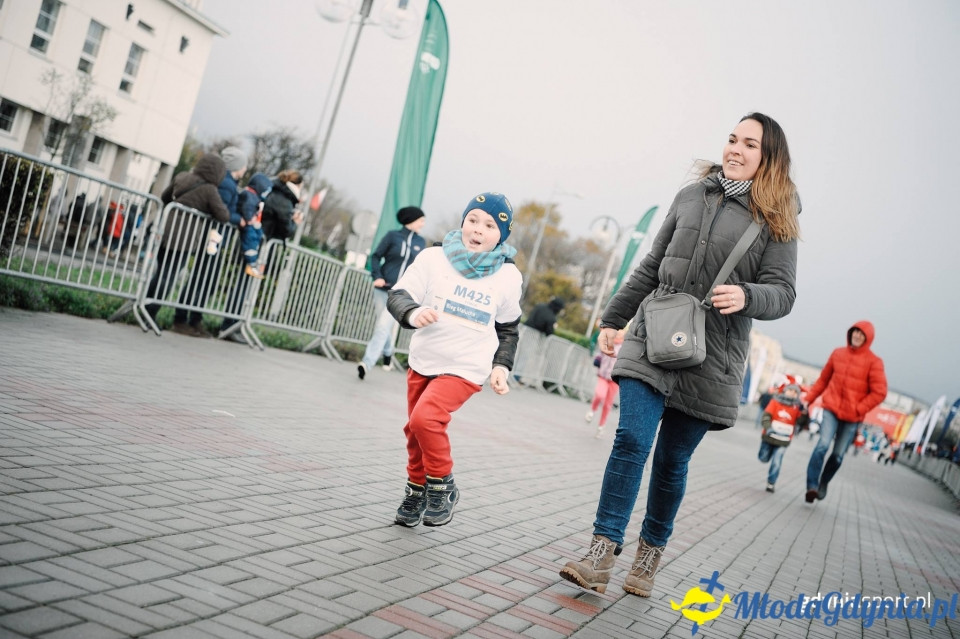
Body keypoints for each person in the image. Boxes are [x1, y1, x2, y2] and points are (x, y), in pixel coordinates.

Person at [559, 113, 800, 598]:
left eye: (749, 144)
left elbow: (784, 292)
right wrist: (613, 317)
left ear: (768, 156)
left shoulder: (778, 217)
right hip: (655, 331)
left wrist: (748, 296)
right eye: (732, 139)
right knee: (631, 440)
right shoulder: (692, 196)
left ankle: (649, 553)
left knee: (671, 461)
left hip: (713, 354)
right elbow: (653, 263)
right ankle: (601, 551)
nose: (735, 148)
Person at [386, 192, 522, 527]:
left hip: (465, 366)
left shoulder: (507, 277)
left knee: (425, 420)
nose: (478, 229)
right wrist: (412, 312)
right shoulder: (434, 258)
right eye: (473, 220)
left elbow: (508, 328)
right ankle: (416, 490)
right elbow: (398, 295)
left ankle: (442, 485)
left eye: (490, 225)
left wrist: (501, 366)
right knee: (414, 429)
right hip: (424, 359)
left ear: (501, 235)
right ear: (463, 222)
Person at [145, 153, 230, 336]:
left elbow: (165, 196)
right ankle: (150, 313)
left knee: (161, 271)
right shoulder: (209, 189)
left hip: (165, 229)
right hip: (185, 237)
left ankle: (144, 306)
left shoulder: (182, 176)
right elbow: (223, 215)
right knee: (169, 275)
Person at [804, 321, 887, 503]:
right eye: (854, 332)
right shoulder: (838, 353)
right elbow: (822, 381)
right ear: (850, 334)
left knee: (838, 455)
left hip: (852, 416)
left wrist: (860, 408)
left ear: (867, 338)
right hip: (831, 409)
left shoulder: (874, 362)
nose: (856, 336)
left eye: (861, 334)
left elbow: (880, 392)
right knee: (822, 445)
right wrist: (807, 400)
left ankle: (823, 483)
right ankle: (811, 486)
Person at [357, 206, 426, 380]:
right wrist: (377, 276)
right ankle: (388, 352)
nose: (423, 224)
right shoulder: (392, 236)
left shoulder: (421, 243)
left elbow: (419, 269)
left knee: (382, 326)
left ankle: (367, 363)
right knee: (384, 327)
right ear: (411, 219)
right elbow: (375, 256)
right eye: (421, 220)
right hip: (383, 289)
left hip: (401, 294)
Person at [757, 381, 805, 493]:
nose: (792, 393)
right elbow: (766, 416)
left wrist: (804, 413)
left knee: (777, 461)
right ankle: (764, 456)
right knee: (763, 458)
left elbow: (800, 422)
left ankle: (771, 483)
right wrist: (768, 428)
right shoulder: (775, 402)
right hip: (769, 436)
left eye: (795, 392)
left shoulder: (797, 407)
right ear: (785, 390)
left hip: (784, 439)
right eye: (790, 390)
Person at [586, 329, 624, 438]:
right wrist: (597, 360)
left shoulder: (624, 348)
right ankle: (592, 411)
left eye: (621, 335)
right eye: (618, 333)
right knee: (599, 394)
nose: (619, 336)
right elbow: (600, 353)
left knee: (608, 404)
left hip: (614, 379)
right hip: (603, 375)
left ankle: (601, 427)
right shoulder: (608, 342)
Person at [261, 170, 305, 244]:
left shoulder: (275, 189)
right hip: (263, 241)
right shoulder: (285, 202)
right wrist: (295, 221)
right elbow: (286, 230)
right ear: (297, 186)